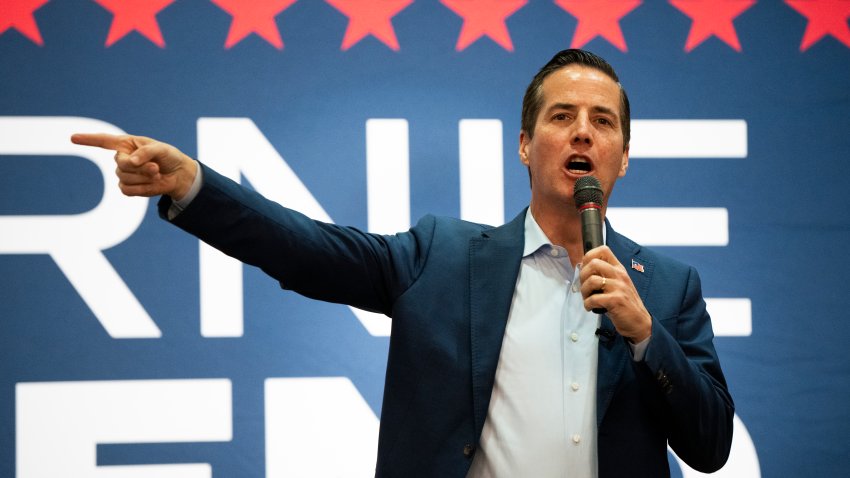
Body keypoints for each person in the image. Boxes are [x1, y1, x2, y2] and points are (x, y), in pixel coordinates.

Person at [71, 49, 734, 477]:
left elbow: (711, 447)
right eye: (563, 116)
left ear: (622, 157)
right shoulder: (441, 256)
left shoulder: (669, 289)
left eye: (603, 122)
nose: (584, 131)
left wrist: (647, 336)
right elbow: (305, 249)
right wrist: (195, 185)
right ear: (527, 147)